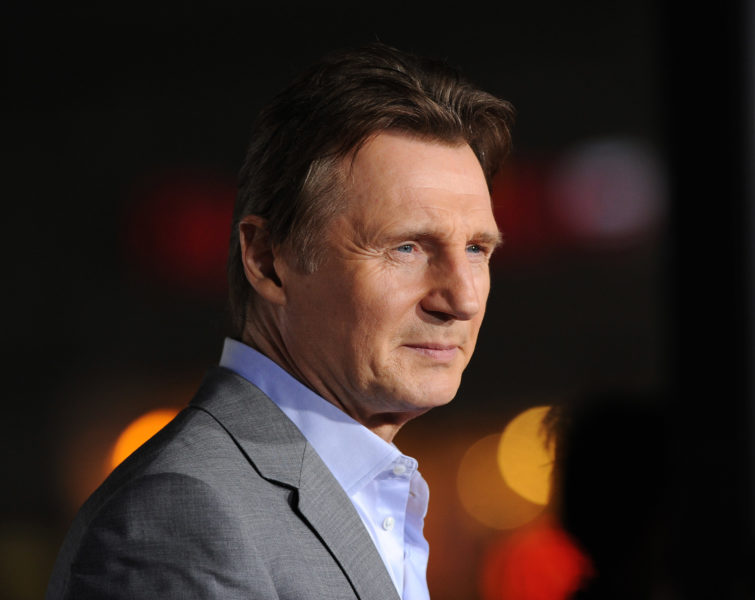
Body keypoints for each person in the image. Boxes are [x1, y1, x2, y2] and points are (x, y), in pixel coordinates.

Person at [46, 42, 515, 599]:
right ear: (268, 260)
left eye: (477, 249)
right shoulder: (182, 518)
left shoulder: (368, 497)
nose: (462, 298)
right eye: (406, 247)